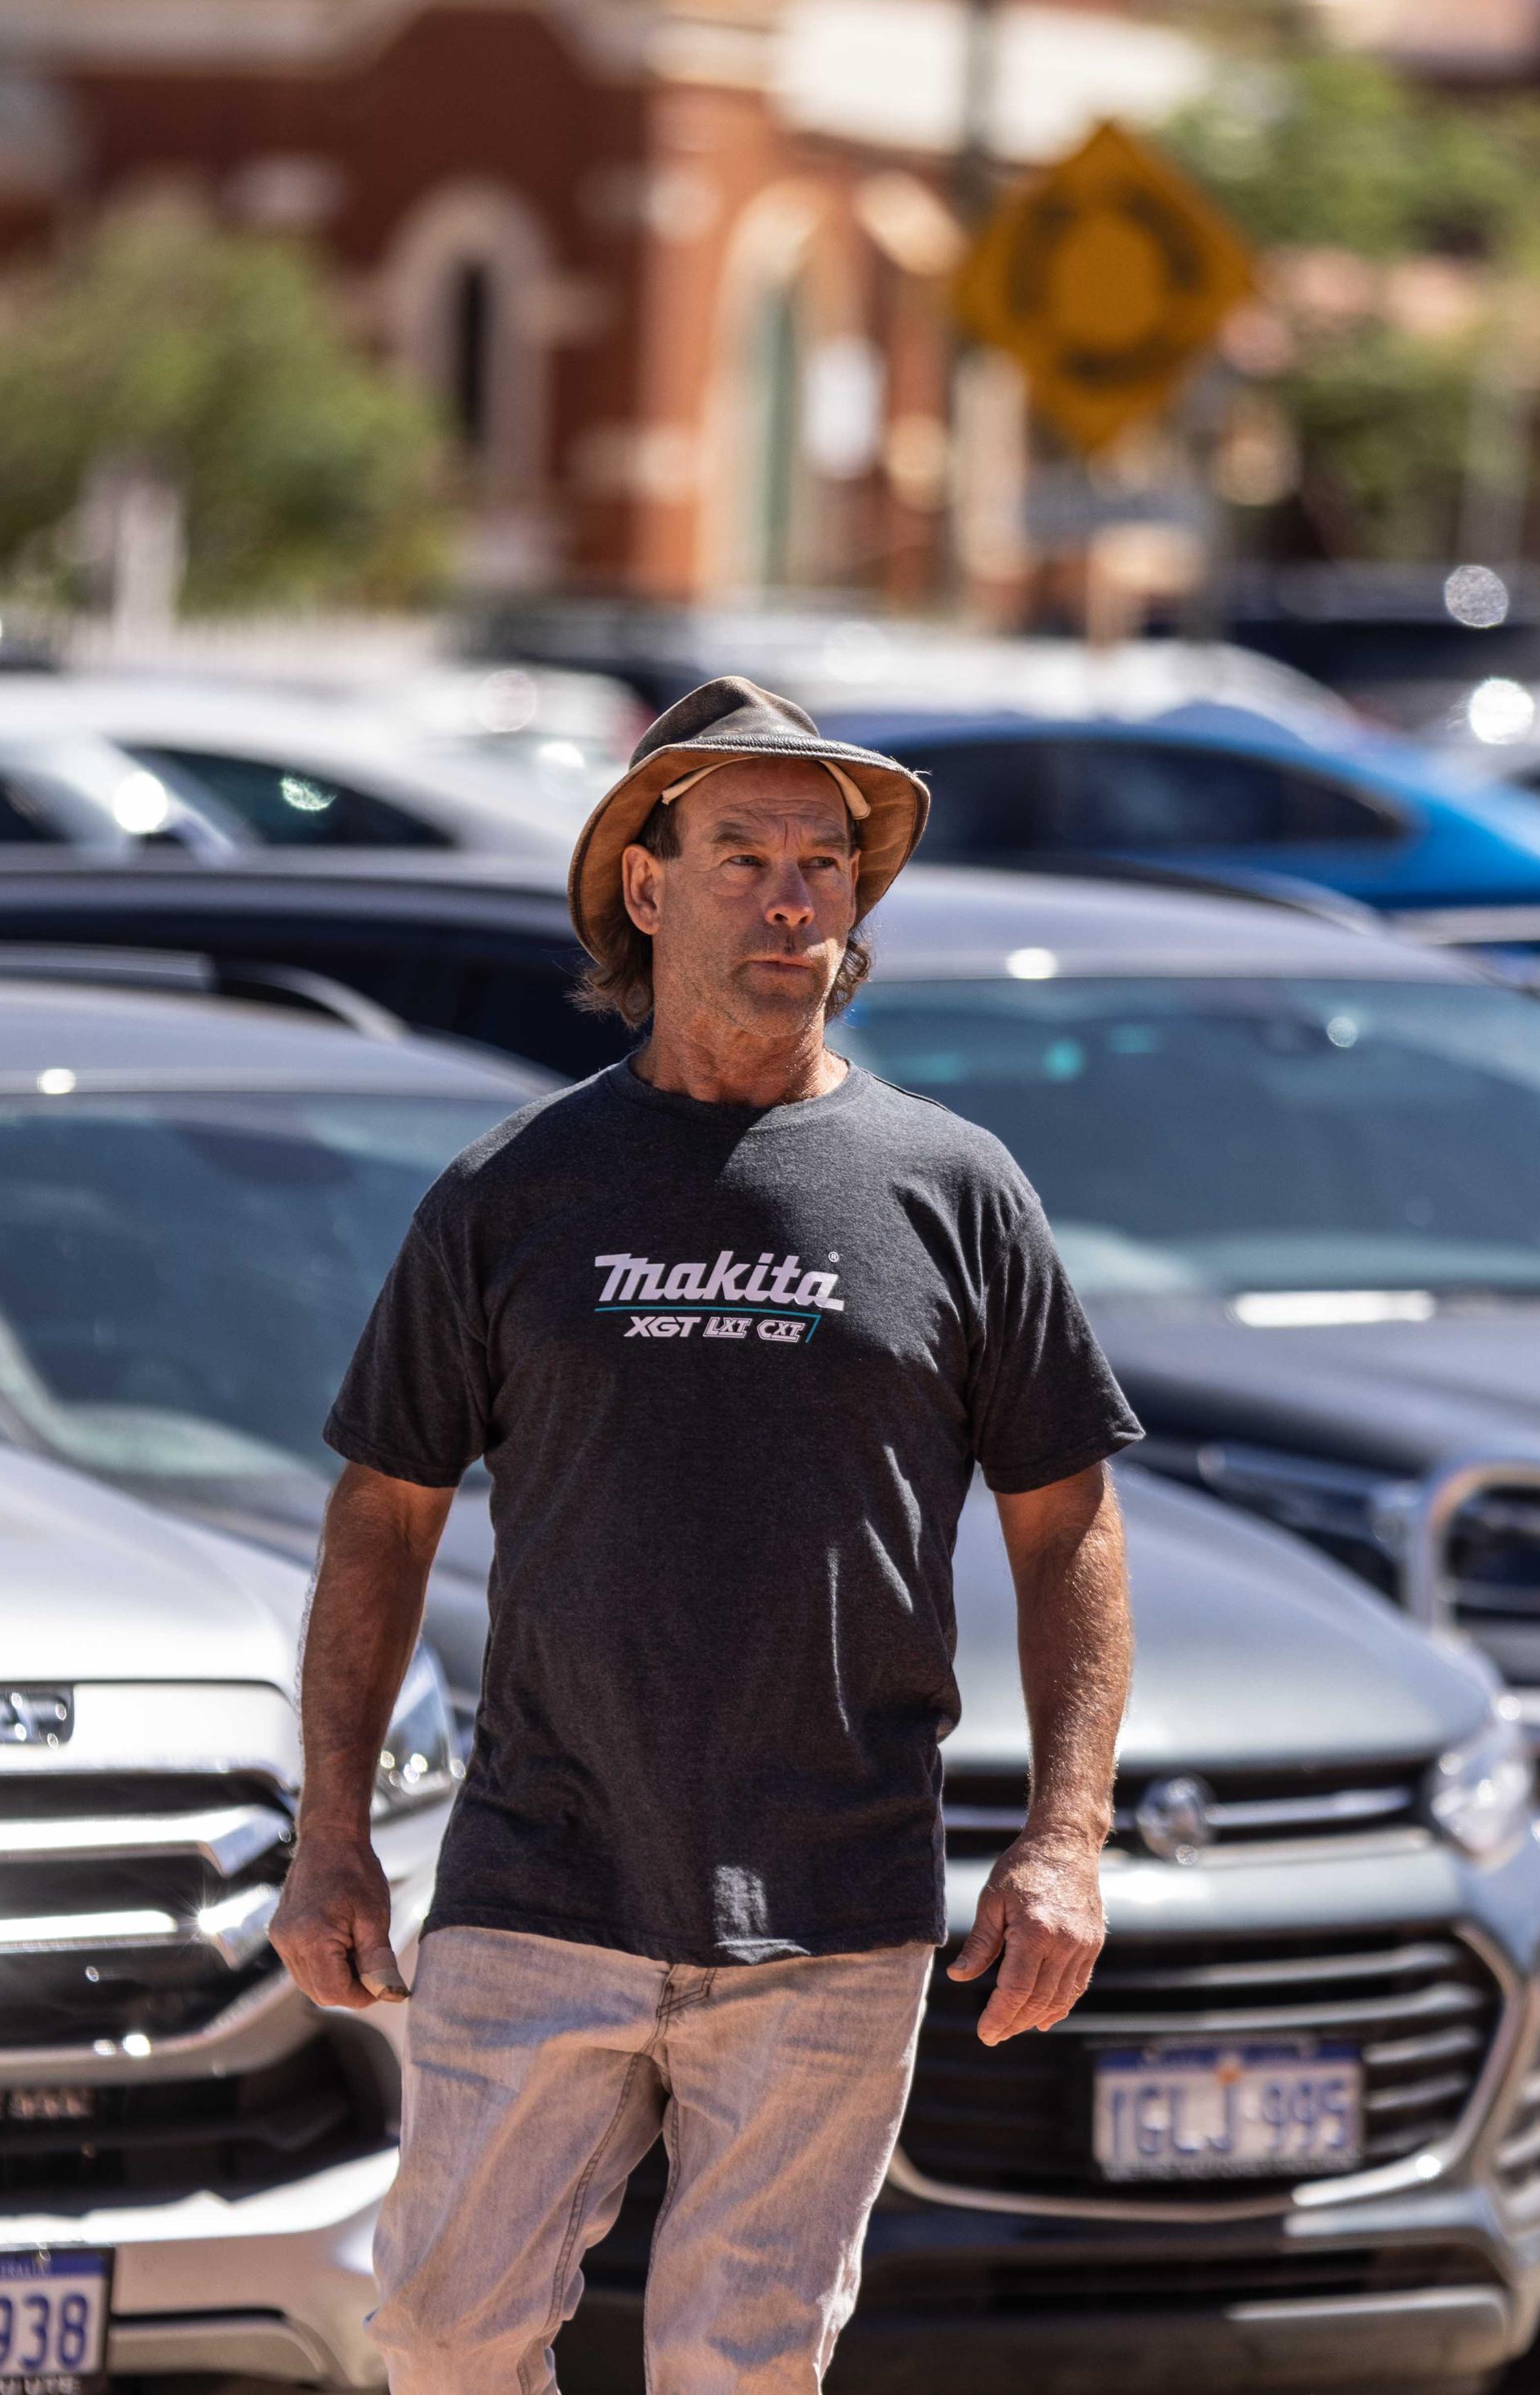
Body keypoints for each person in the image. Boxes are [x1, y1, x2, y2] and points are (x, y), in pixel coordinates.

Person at [269, 675, 1141, 2395]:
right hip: (541, 1871)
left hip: (831, 1892)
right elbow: (383, 1514)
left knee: (741, 2365)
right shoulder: (512, 1191)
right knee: (445, 2333)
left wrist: (1066, 1836)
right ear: (647, 887)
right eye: (742, 853)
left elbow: (1068, 1524)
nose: (795, 895)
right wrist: (333, 1829)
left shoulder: (952, 1189)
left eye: (824, 860)